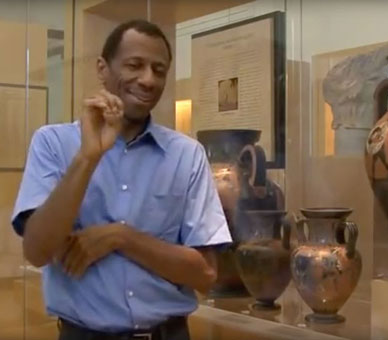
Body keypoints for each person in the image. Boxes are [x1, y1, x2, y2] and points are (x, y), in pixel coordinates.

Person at [11, 19, 231, 340]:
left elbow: (205, 273)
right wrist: (88, 157)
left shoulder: (187, 154)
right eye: (134, 65)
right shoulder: (52, 143)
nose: (148, 80)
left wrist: (121, 237)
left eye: (159, 70)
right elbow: (37, 251)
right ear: (102, 68)